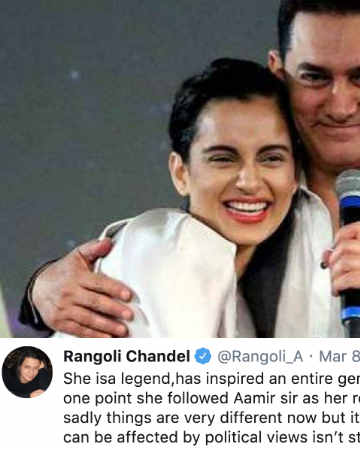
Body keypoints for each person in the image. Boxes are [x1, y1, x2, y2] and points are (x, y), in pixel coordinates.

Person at [20, 0, 360, 337]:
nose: (340, 104)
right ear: (279, 72)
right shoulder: (248, 200)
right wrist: (41, 293)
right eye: (315, 77)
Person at [54, 58, 298, 337]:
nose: (249, 182)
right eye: (223, 159)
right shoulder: (162, 249)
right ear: (181, 173)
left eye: (271, 158)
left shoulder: (242, 294)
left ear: (295, 175)